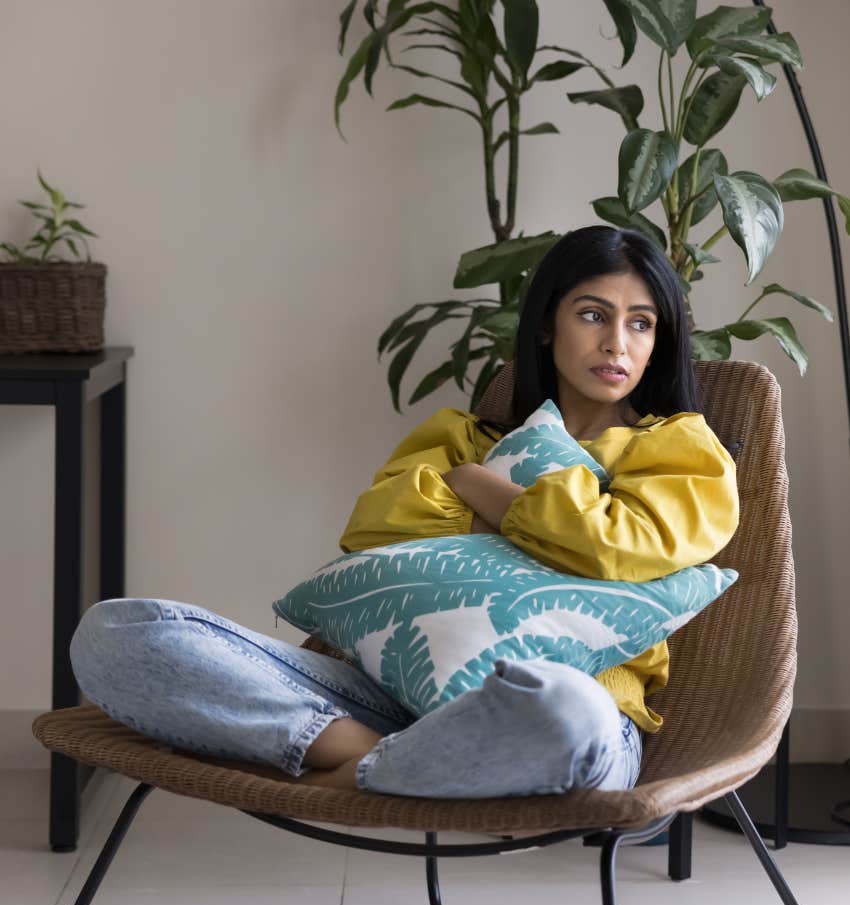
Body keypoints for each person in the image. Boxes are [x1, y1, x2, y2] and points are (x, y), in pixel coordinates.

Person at [69, 225, 739, 799]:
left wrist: (484, 492)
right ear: (546, 325)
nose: (617, 342)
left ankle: (352, 772)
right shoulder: (459, 435)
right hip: (386, 700)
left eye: (641, 322)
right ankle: (365, 748)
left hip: (564, 711)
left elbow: (618, 551)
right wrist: (547, 527)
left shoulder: (681, 451)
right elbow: (376, 535)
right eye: (592, 314)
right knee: (113, 633)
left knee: (566, 712)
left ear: (659, 340)